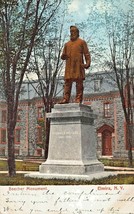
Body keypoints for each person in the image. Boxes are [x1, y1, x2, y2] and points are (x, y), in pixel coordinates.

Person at [59, 25, 91, 104]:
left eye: (73, 31)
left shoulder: (81, 42)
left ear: (77, 32)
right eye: (71, 32)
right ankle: (66, 99)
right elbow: (63, 55)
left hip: (78, 65)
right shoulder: (67, 44)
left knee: (79, 83)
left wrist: (87, 63)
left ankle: (78, 99)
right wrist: (63, 56)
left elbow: (87, 54)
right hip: (69, 66)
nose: (72, 33)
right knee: (67, 83)